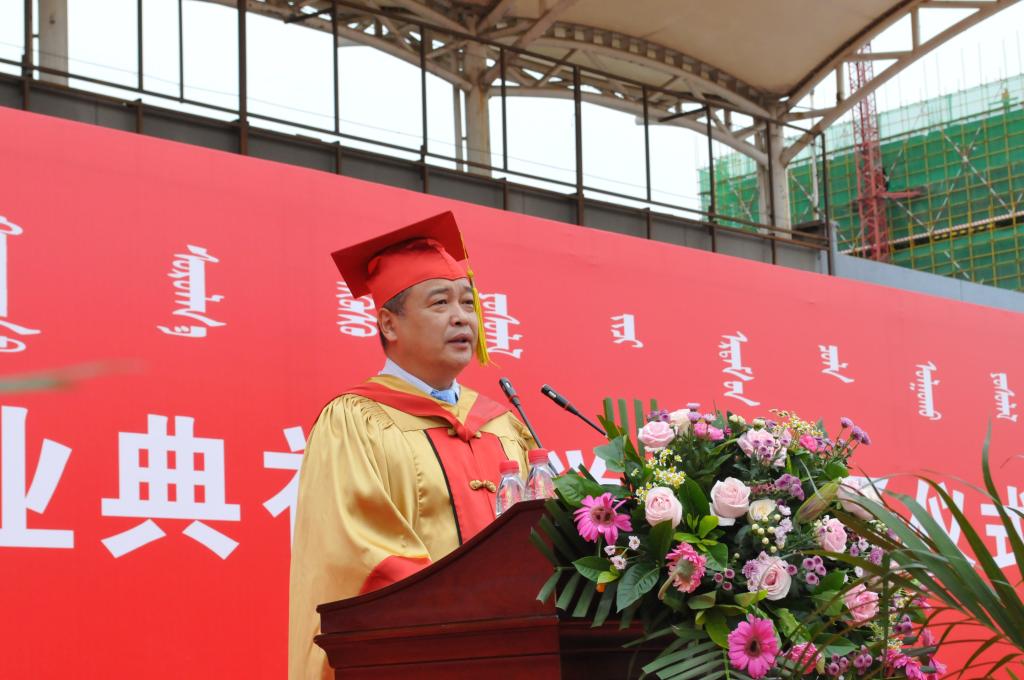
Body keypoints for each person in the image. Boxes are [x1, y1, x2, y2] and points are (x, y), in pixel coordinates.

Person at [288, 211, 536, 680]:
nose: (461, 316)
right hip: (418, 658)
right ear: (388, 323)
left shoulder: (502, 425)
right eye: (440, 302)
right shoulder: (355, 422)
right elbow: (360, 555)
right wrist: (469, 611)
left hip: (516, 652)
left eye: (468, 303)